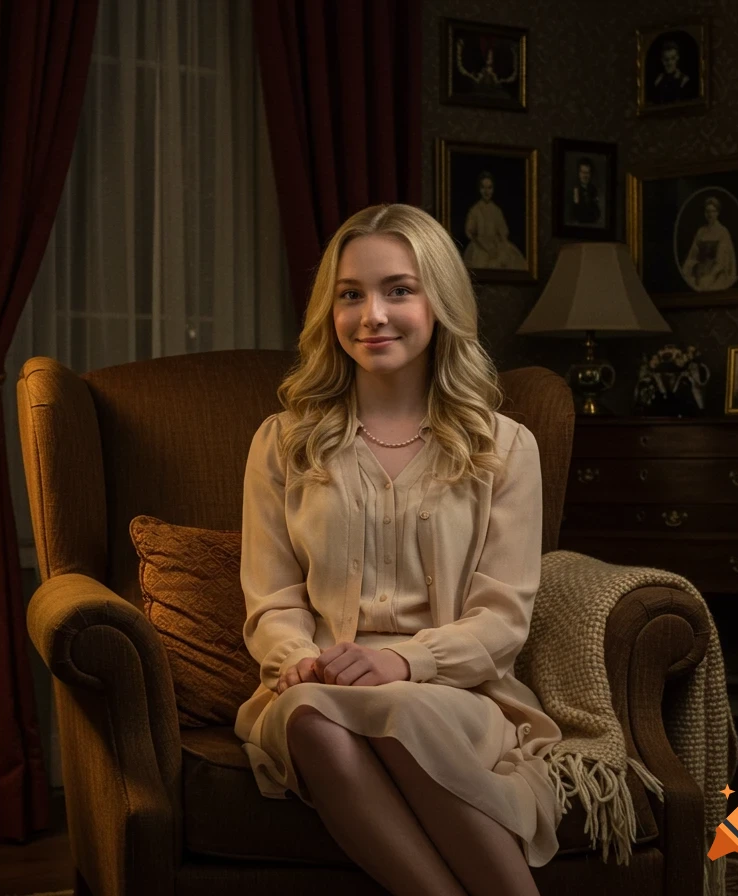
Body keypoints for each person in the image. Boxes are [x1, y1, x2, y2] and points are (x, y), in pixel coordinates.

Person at [237, 203, 561, 896]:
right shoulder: (281, 442)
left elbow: (503, 619)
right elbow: (272, 600)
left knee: (401, 711)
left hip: (452, 694)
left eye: (399, 290)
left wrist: (402, 661)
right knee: (309, 719)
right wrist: (298, 662)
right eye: (350, 294)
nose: (372, 315)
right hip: (317, 692)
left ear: (439, 301)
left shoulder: (504, 448)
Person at [463, 171, 527, 270]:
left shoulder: (496, 210)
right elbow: (470, 232)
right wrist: (485, 247)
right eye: (483, 188)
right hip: (479, 246)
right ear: (479, 189)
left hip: (496, 246)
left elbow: (503, 232)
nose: (486, 191)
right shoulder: (475, 210)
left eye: (489, 188)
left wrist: (501, 248)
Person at [680, 196, 738, 291]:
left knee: (706, 285)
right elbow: (693, 255)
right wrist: (688, 270)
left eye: (713, 211)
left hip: (716, 274)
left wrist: (710, 276)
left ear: (718, 213)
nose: (710, 214)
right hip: (700, 272)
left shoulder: (723, 232)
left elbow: (721, 262)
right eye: (707, 211)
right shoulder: (701, 231)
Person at [648, 38, 698, 104]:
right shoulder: (658, 81)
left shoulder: (684, 81)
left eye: (673, 58)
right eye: (666, 59)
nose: (669, 63)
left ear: (677, 58)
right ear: (662, 60)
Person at [567, 157, 601, 226]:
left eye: (588, 173)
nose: (585, 176)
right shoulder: (574, 189)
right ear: (579, 173)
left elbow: (597, 212)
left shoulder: (593, 189)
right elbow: (571, 214)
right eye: (583, 172)